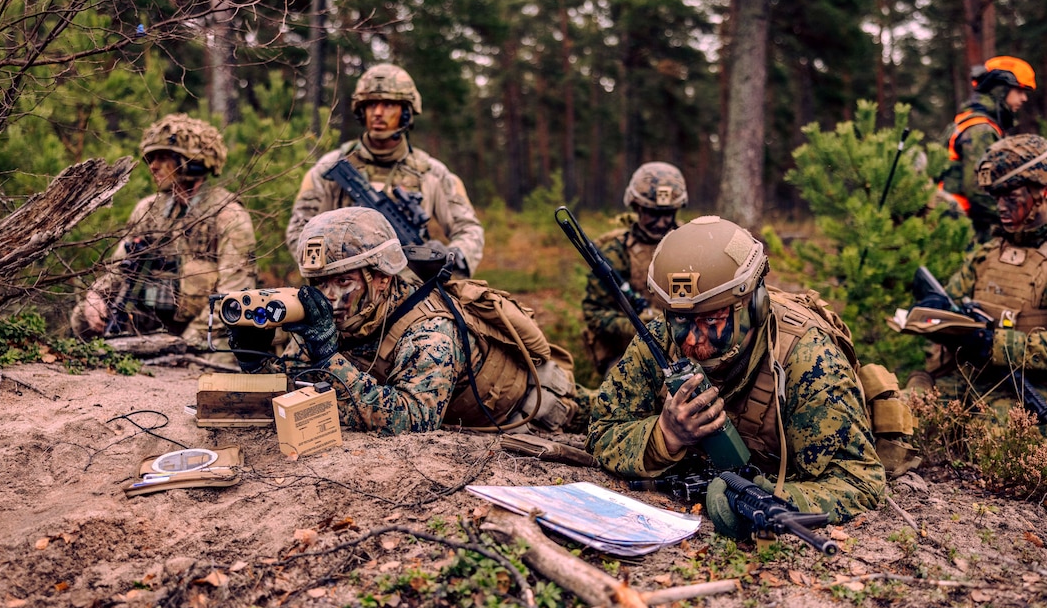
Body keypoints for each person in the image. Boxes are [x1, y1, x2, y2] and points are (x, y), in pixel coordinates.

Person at [586, 216, 885, 536]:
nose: (690, 340)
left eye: (711, 321)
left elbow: (859, 481)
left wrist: (767, 500)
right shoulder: (660, 338)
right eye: (680, 319)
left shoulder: (808, 362)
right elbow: (602, 428)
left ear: (754, 306)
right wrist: (666, 435)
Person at [232, 207, 576, 434]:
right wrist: (257, 362)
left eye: (343, 281)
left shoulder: (430, 330)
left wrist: (328, 358)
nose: (330, 297)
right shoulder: (342, 314)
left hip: (522, 413)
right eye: (320, 283)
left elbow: (413, 420)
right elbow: (298, 386)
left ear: (380, 277)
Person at [908, 135, 1047, 418]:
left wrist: (993, 343)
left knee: (991, 436)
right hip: (966, 378)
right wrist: (935, 312)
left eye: (1012, 199)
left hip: (1031, 389)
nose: (1001, 207)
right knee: (898, 413)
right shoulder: (989, 251)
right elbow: (946, 304)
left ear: (1046, 191)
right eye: (997, 198)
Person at [71, 113, 257, 350]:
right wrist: (96, 295)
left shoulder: (228, 215)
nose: (153, 166)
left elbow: (234, 296)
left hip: (205, 327)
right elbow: (120, 266)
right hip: (152, 318)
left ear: (190, 161)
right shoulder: (148, 209)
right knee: (83, 318)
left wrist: (188, 342)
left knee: (217, 362)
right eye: (151, 158)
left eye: (162, 158)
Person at [286, 63, 484, 276]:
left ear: (406, 112)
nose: (378, 113)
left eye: (389, 105)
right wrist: (336, 263)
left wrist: (450, 255)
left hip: (412, 288)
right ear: (362, 111)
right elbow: (299, 230)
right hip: (342, 286)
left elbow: (470, 230)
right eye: (371, 105)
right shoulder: (329, 169)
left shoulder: (432, 173)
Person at [582, 162, 687, 376]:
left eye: (668, 213)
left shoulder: (691, 244)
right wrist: (636, 327)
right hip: (628, 351)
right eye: (652, 213)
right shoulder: (614, 252)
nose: (661, 222)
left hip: (685, 347)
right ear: (636, 207)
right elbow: (594, 313)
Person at [939, 56, 1036, 242]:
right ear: (1000, 89)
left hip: (953, 223)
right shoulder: (981, 130)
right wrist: (1020, 221)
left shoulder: (969, 121)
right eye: (1020, 90)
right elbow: (977, 192)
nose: (1024, 98)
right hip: (960, 229)